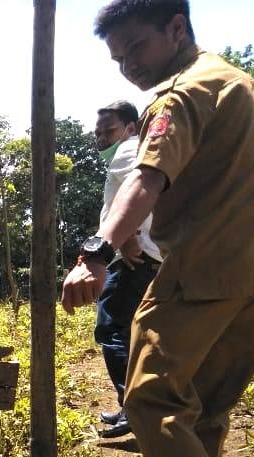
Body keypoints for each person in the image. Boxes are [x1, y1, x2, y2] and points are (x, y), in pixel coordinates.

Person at [62, 0, 254, 457]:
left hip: (202, 269)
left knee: (147, 397)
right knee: (203, 408)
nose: (127, 66)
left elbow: (147, 176)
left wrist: (96, 255)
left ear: (175, 28)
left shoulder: (179, 95)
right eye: (117, 58)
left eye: (136, 48)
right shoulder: (241, 84)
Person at [90, 100, 162, 439]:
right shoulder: (135, 149)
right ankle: (132, 407)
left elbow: (143, 189)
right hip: (148, 257)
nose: (102, 139)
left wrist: (128, 236)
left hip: (132, 259)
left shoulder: (130, 150)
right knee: (135, 333)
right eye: (98, 133)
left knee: (112, 331)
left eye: (110, 131)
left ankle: (136, 409)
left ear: (131, 128)